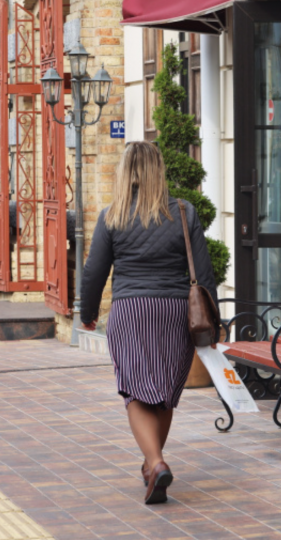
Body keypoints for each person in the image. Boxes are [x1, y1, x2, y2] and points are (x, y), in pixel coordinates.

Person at [80, 141, 218, 505]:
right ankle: (151, 464)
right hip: (175, 311)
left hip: (131, 311)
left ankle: (155, 462)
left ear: (125, 172)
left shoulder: (112, 216)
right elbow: (204, 274)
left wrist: (88, 312)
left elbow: (94, 272)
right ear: (160, 170)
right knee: (164, 391)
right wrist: (214, 327)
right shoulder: (184, 214)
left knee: (136, 389)